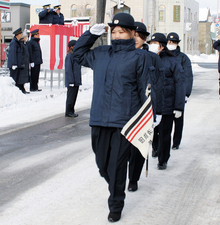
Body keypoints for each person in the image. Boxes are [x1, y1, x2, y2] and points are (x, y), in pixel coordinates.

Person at [73, 13, 152, 222]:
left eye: (122, 32)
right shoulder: (100, 53)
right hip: (99, 118)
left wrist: (148, 117)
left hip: (124, 121)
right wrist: (90, 35)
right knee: (102, 164)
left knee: (117, 165)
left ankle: (116, 204)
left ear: (132, 33)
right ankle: (116, 186)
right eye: (114, 32)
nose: (117, 36)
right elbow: (77, 55)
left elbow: (145, 89)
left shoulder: (139, 57)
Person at [126, 21, 163, 192]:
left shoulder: (153, 58)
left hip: (143, 109)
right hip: (123, 107)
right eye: (132, 35)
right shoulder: (121, 54)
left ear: (145, 38)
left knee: (138, 148)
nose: (135, 39)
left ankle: (133, 178)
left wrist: (158, 111)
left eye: (139, 36)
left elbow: (158, 85)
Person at [148, 33, 185, 170]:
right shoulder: (147, 59)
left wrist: (179, 106)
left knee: (164, 133)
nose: (152, 46)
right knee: (153, 131)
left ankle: (163, 159)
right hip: (151, 104)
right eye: (151, 43)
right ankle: (155, 148)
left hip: (167, 105)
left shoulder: (173, 61)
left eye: (155, 43)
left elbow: (180, 83)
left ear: (162, 46)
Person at [166, 32, 193, 149]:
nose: (171, 44)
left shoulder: (183, 58)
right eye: (169, 42)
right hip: (165, 93)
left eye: (173, 42)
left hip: (179, 93)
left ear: (177, 44)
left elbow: (188, 76)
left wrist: (186, 93)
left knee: (178, 118)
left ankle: (176, 142)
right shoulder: (162, 56)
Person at [7, 27, 28, 94]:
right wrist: (13, 64)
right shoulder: (14, 43)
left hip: (18, 64)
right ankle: (12, 93)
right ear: (18, 34)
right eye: (21, 33)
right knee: (14, 80)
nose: (22, 34)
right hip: (14, 65)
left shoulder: (18, 42)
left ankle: (15, 93)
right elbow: (12, 54)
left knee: (17, 80)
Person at [65, 40, 81, 118]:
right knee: (70, 97)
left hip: (76, 80)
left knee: (74, 96)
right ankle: (68, 111)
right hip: (72, 80)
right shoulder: (69, 56)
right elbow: (68, 69)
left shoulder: (75, 55)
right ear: (72, 47)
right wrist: (71, 81)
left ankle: (72, 110)